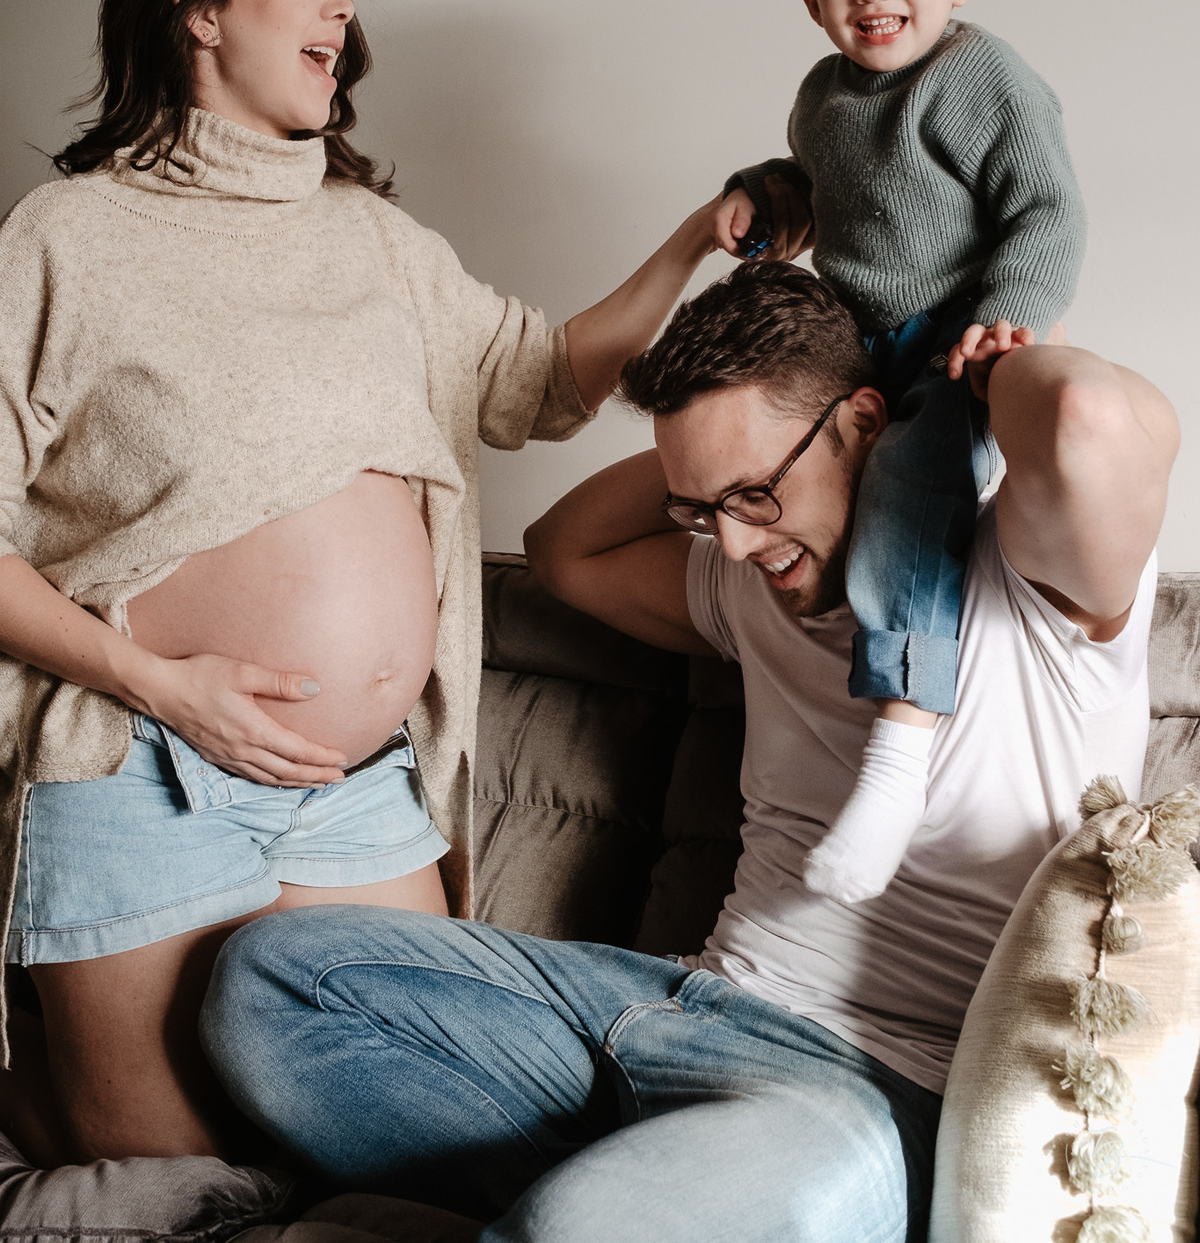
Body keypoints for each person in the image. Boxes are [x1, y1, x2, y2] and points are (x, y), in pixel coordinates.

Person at [201, 260, 1175, 1243]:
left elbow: (1089, 414)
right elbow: (562, 550)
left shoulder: (1036, 589)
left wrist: (978, 378)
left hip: (865, 1089)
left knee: (575, 1230)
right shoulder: (748, 580)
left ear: (867, 423)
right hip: (665, 1003)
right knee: (267, 983)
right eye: (701, 513)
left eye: (755, 495)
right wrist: (713, 470)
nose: (736, 547)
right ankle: (650, 1192)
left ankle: (611, 1206)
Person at [0, 0, 727, 1165]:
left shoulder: (379, 246)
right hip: (144, 773)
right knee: (175, 1186)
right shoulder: (67, 239)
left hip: (353, 795)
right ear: (196, 5)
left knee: (419, 1152)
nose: (341, 9)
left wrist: (695, 239)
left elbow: (545, 382)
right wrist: (167, 690)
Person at [715, 0, 1087, 904]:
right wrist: (765, 194)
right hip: (854, 334)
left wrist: (1009, 318)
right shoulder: (823, 96)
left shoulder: (983, 78)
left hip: (957, 340)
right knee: (760, 419)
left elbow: (1049, 210)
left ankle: (900, 751)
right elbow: (820, 183)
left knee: (910, 480)